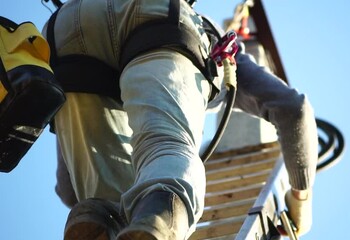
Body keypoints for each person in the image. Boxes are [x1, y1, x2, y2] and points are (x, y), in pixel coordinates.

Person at [46, 0, 318, 239]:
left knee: (107, 201)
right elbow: (295, 110)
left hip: (63, 29)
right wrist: (301, 201)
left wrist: (94, 175)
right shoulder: (219, 49)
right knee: (166, 148)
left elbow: (68, 188)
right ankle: (159, 218)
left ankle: (100, 218)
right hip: (157, 16)